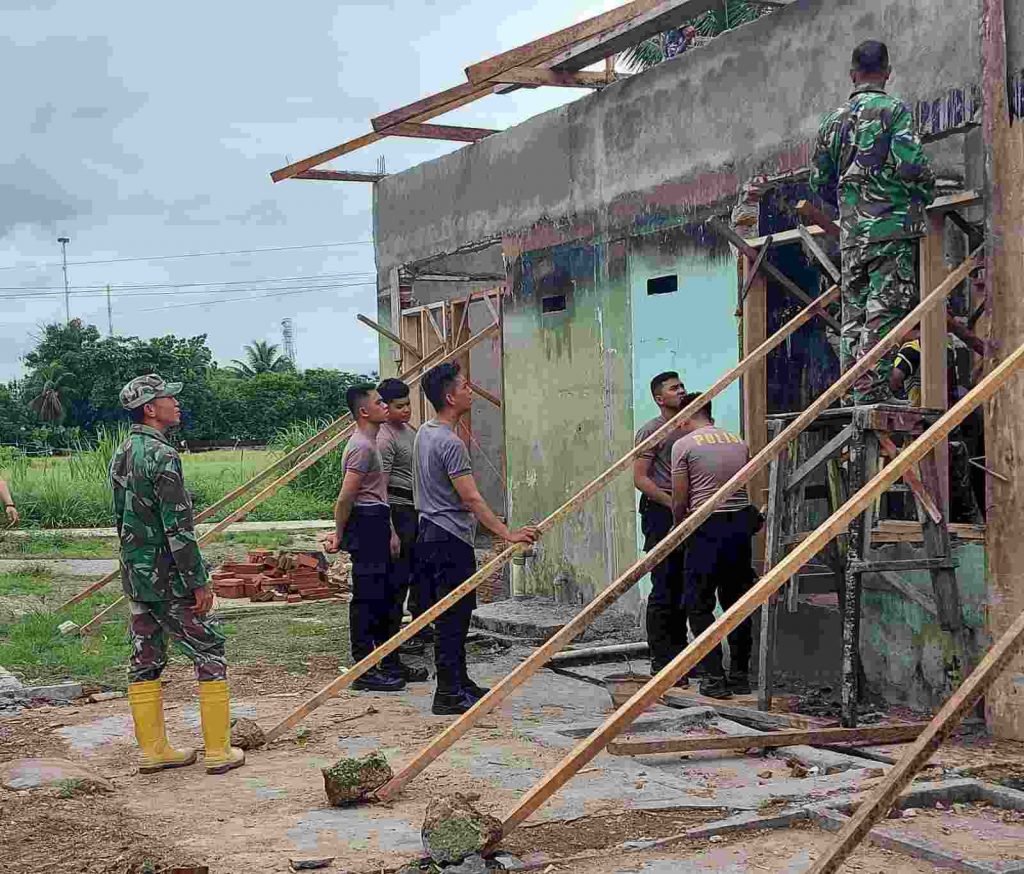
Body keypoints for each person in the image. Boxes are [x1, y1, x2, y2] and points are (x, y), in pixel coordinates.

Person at [110, 374, 243, 775]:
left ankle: (154, 751)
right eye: (169, 398)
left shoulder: (122, 453)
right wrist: (198, 581)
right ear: (150, 408)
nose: (176, 404)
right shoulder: (162, 456)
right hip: (168, 578)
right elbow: (178, 528)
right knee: (210, 650)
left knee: (145, 657)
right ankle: (219, 751)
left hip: (136, 576)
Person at [810, 39, 935, 405]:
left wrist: (849, 208)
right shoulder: (893, 111)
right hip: (890, 229)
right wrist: (923, 194)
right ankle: (871, 390)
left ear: (852, 74)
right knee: (885, 312)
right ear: (888, 72)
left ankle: (852, 390)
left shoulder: (832, 121)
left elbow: (819, 181)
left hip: (852, 236)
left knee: (854, 314)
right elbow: (911, 165)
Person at [414, 362, 540, 715]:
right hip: (449, 538)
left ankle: (458, 681)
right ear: (451, 396)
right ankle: (448, 693)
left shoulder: (426, 431)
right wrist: (507, 534)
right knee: (454, 617)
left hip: (430, 533)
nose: (472, 391)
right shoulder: (451, 443)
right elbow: (470, 497)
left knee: (454, 613)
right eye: (465, 386)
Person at [323, 385, 425, 691]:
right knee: (366, 598)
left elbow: (379, 494)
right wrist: (339, 533)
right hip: (366, 524)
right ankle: (363, 670)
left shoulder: (370, 442)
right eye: (380, 402)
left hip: (378, 520)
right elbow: (345, 498)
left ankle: (384, 661)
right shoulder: (362, 447)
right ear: (364, 411)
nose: (386, 406)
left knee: (383, 595)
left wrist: (391, 531)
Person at [671, 396, 756, 699]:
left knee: (700, 603)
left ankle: (713, 677)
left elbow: (681, 499)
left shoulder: (684, 446)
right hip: (739, 526)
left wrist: (678, 528)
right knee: (738, 600)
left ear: (687, 416)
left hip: (705, 526)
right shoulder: (738, 441)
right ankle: (741, 676)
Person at [633, 372, 692, 682]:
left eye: (682, 386)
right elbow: (640, 478)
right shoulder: (652, 431)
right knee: (665, 585)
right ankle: (661, 658)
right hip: (661, 513)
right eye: (674, 388)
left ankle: (682, 657)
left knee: (687, 585)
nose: (681, 391)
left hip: (691, 512)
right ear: (659, 398)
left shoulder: (691, 427)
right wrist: (671, 502)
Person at [377, 377, 432, 656]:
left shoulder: (408, 431)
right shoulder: (384, 438)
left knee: (420, 574)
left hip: (415, 509)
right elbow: (380, 488)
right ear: (385, 407)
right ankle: (395, 636)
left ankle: (419, 626)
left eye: (408, 404)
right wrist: (391, 530)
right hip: (398, 512)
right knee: (399, 578)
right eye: (399, 406)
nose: (406, 410)